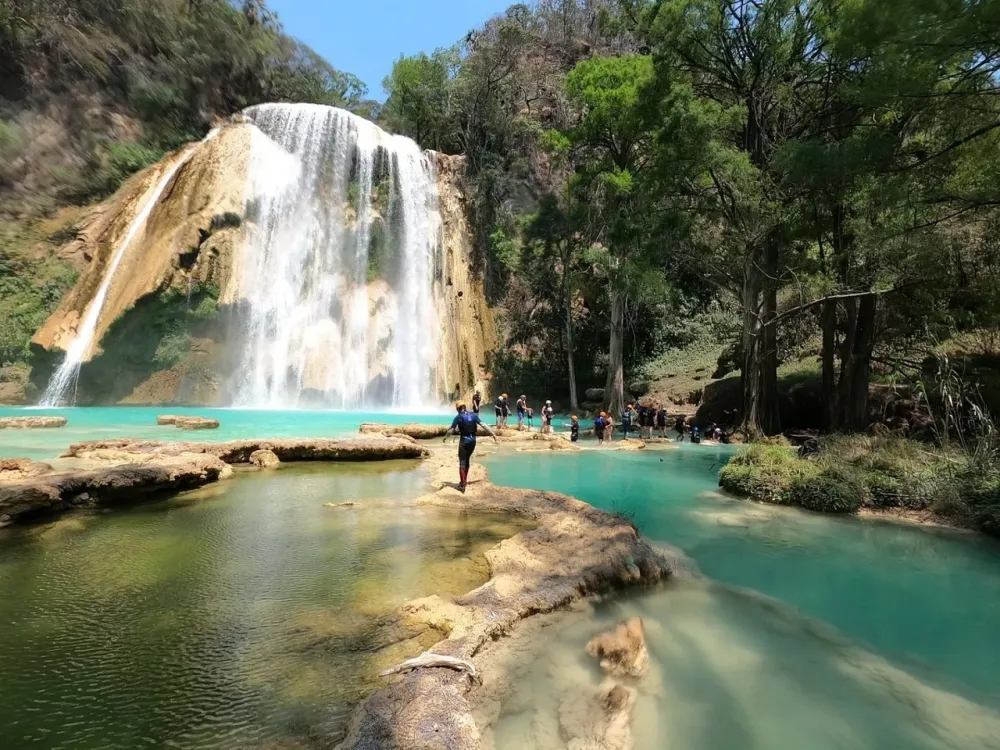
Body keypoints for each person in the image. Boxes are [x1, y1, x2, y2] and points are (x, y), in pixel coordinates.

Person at [444, 401, 497, 493]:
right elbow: (483, 425)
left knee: (462, 462)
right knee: (467, 459)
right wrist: (493, 434)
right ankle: (464, 481)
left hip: (464, 440)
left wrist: (445, 437)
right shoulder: (473, 415)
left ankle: (462, 485)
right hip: (473, 441)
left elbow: (451, 430)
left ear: (457, 409)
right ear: (464, 406)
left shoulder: (458, 417)